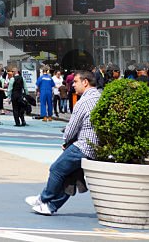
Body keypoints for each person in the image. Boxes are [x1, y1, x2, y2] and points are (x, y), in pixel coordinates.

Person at [27, 71, 101, 215]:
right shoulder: (99, 97)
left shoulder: (83, 102)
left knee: (56, 169)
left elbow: (71, 129)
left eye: (75, 82)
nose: (73, 85)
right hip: (96, 146)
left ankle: (43, 198)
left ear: (85, 82)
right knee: (70, 175)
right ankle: (50, 206)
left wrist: (66, 142)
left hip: (83, 145)